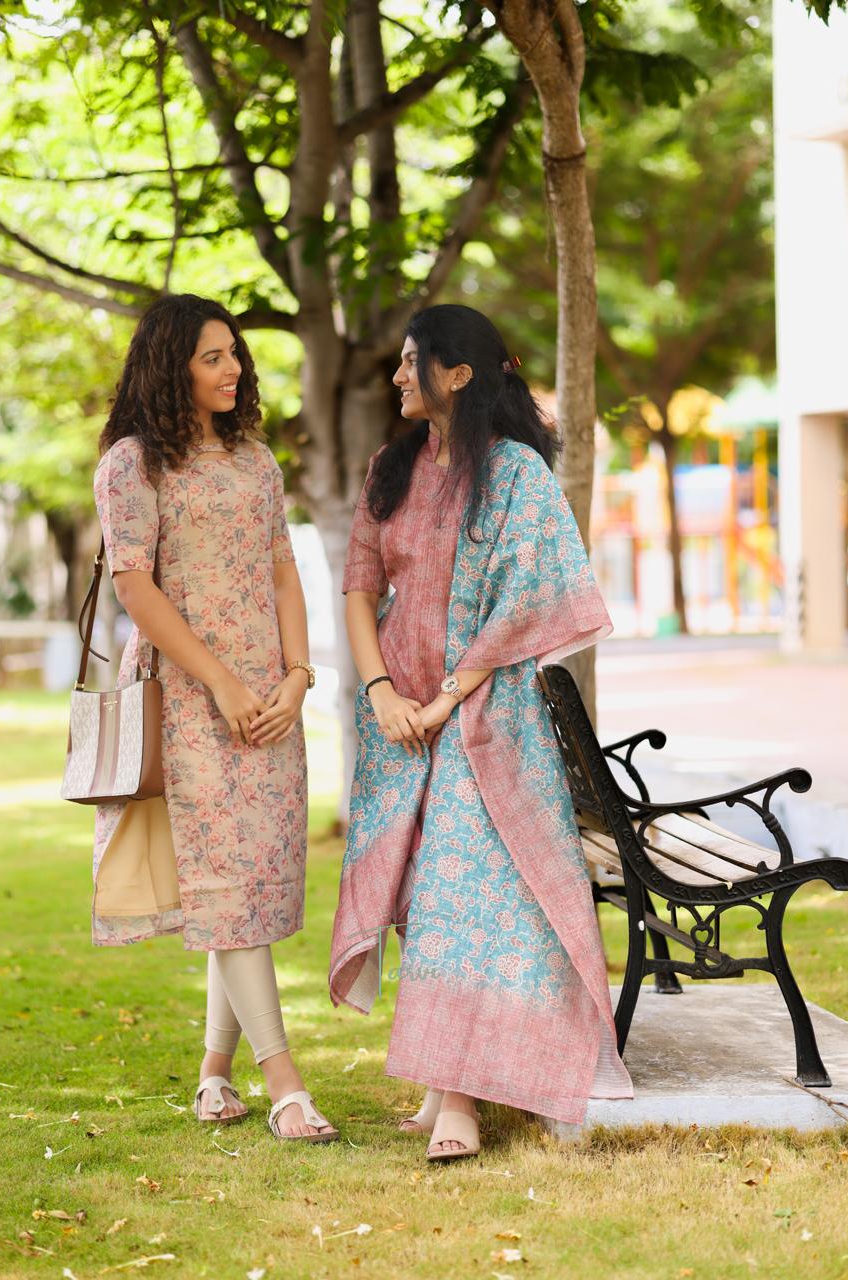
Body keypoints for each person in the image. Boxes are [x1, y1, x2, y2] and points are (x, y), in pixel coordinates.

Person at [330, 303, 633, 1161]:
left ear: (460, 373)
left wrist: (443, 700)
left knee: (463, 897)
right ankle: (442, 1082)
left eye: (412, 361)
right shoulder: (390, 470)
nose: (396, 376)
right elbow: (359, 589)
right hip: (398, 721)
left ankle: (458, 1100)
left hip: (486, 724)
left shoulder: (516, 477)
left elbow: (525, 608)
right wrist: (386, 691)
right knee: (425, 895)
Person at [91, 294, 336, 1142]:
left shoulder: (254, 460)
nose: (233, 369)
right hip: (193, 701)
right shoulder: (131, 465)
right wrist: (223, 682)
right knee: (226, 886)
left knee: (252, 886)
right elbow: (134, 589)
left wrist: (298, 676)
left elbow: (282, 573)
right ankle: (286, 1086)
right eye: (212, 357)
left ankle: (212, 1076)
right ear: (171, 366)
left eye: (234, 354)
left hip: (271, 700)